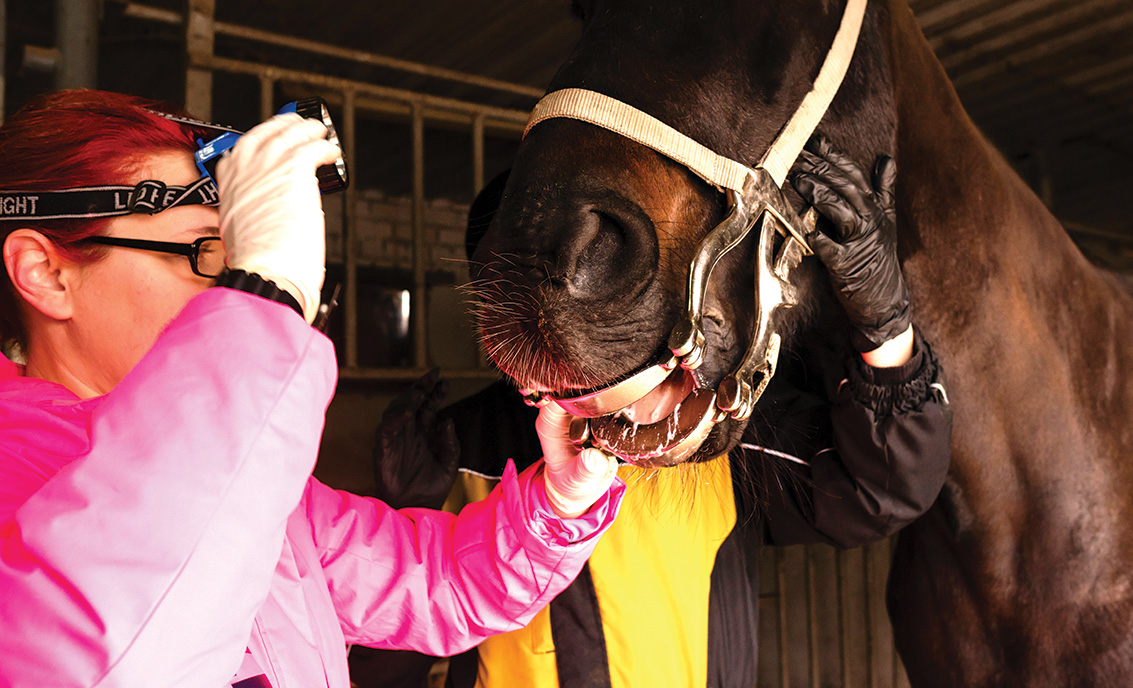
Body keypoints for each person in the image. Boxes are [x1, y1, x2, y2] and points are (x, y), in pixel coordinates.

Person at [0, 90, 625, 688]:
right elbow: (100, 657)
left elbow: (440, 585)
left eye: (240, 259)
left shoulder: (263, 495)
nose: (228, 291)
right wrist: (263, 298)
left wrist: (556, 509)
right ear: (46, 273)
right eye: (205, 256)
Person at [368, 143, 953, 688]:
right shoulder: (459, 445)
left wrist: (884, 320)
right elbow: (390, 651)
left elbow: (884, 485)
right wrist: (404, 512)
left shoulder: (709, 419)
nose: (548, 305)